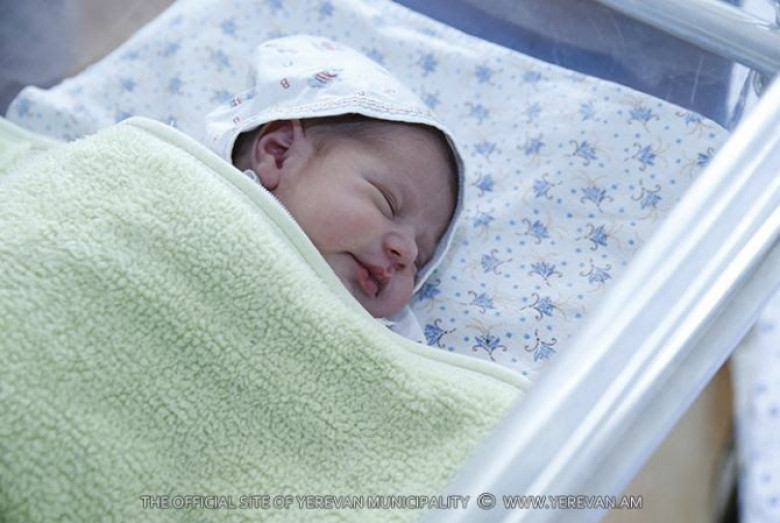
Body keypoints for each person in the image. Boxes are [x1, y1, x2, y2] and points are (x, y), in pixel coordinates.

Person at [205, 35, 465, 334]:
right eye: (387, 203)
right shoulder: (187, 194)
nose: (406, 251)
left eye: (420, 260)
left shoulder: (386, 340)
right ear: (280, 153)